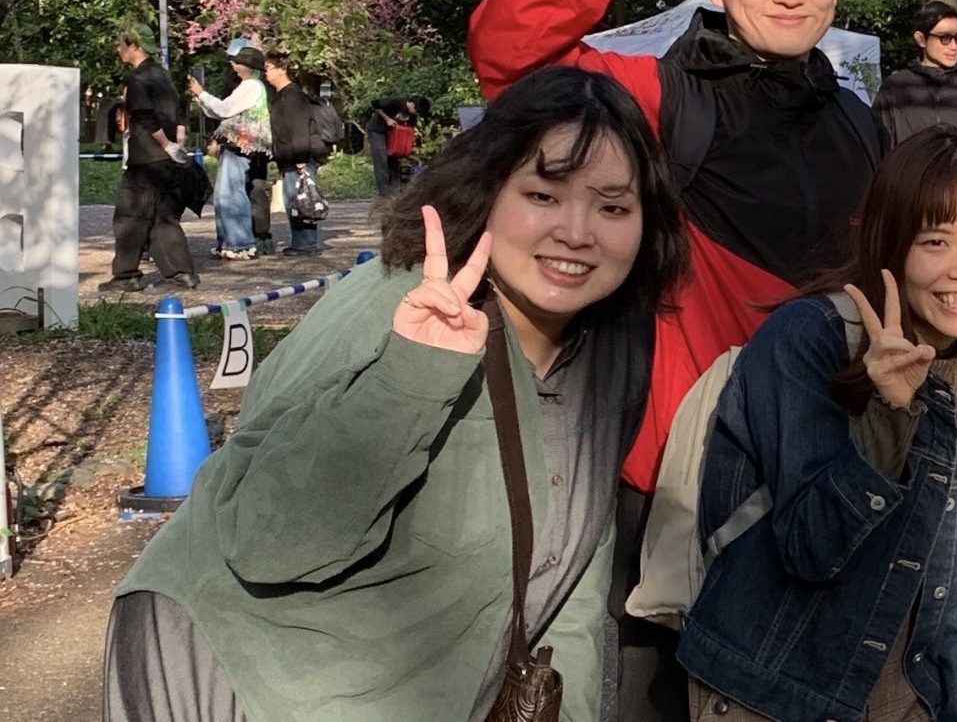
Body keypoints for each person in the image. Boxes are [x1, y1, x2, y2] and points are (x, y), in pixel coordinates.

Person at [105, 66, 688, 722]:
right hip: (250, 672)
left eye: (612, 207)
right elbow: (264, 541)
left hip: (420, 680)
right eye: (543, 195)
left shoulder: (616, 336)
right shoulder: (396, 303)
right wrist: (412, 377)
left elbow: (572, 572)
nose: (577, 232)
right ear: (486, 189)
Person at [468, 0, 884, 721]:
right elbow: (511, 63)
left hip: (817, 466)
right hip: (676, 479)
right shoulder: (657, 99)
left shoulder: (858, 121)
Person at [678, 128, 957, 722]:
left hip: (904, 695)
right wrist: (889, 413)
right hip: (773, 686)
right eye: (936, 241)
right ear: (891, 245)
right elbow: (810, 550)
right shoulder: (809, 340)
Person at [104, 26, 198, 292]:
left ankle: (126, 276)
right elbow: (179, 114)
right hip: (167, 160)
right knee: (162, 216)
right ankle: (181, 273)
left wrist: (165, 144)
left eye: (121, 44)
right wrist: (177, 146)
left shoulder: (137, 79)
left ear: (133, 45)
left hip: (146, 158)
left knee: (130, 216)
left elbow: (145, 116)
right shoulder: (162, 75)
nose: (118, 50)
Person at [874, 0, 957, 146]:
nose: (954, 46)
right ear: (921, 39)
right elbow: (880, 143)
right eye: (945, 38)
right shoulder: (895, 87)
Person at [190, 42, 272, 261]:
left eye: (237, 62)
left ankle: (240, 243)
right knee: (223, 194)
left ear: (248, 65)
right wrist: (201, 98)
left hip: (240, 146)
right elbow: (220, 111)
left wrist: (202, 94)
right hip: (237, 145)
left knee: (231, 194)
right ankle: (228, 243)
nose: (233, 65)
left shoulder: (251, 86)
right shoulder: (248, 85)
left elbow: (225, 109)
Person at [263, 51, 329, 255]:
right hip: (289, 158)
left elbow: (299, 129)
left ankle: (306, 243)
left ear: (282, 69)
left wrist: (301, 159)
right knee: (293, 199)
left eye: (269, 69)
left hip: (299, 157)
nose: (266, 74)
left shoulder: (292, 95)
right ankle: (301, 241)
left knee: (302, 198)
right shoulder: (282, 95)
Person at [367, 94, 429, 194]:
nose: (416, 113)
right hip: (378, 131)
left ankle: (395, 190)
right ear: (412, 104)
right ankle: (384, 192)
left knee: (394, 161)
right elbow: (375, 104)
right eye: (416, 111)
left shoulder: (412, 116)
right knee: (381, 160)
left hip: (393, 135)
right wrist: (387, 119)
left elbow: (410, 129)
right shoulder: (396, 102)